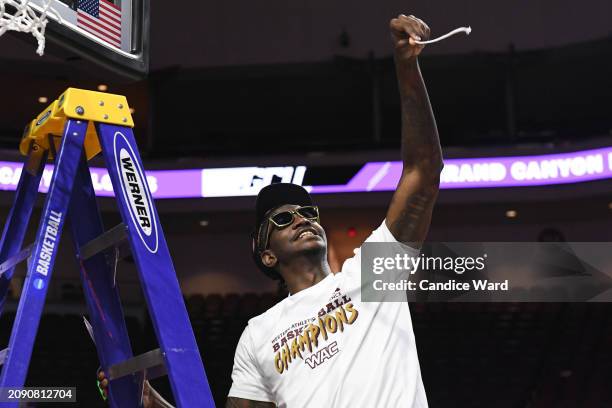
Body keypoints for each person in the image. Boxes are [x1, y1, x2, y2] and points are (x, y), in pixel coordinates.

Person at [99, 13, 442, 408]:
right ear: (267, 254)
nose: (302, 219)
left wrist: (406, 66)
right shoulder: (258, 334)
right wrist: (150, 403)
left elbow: (423, 171)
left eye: (308, 211)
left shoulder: (370, 275)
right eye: (283, 218)